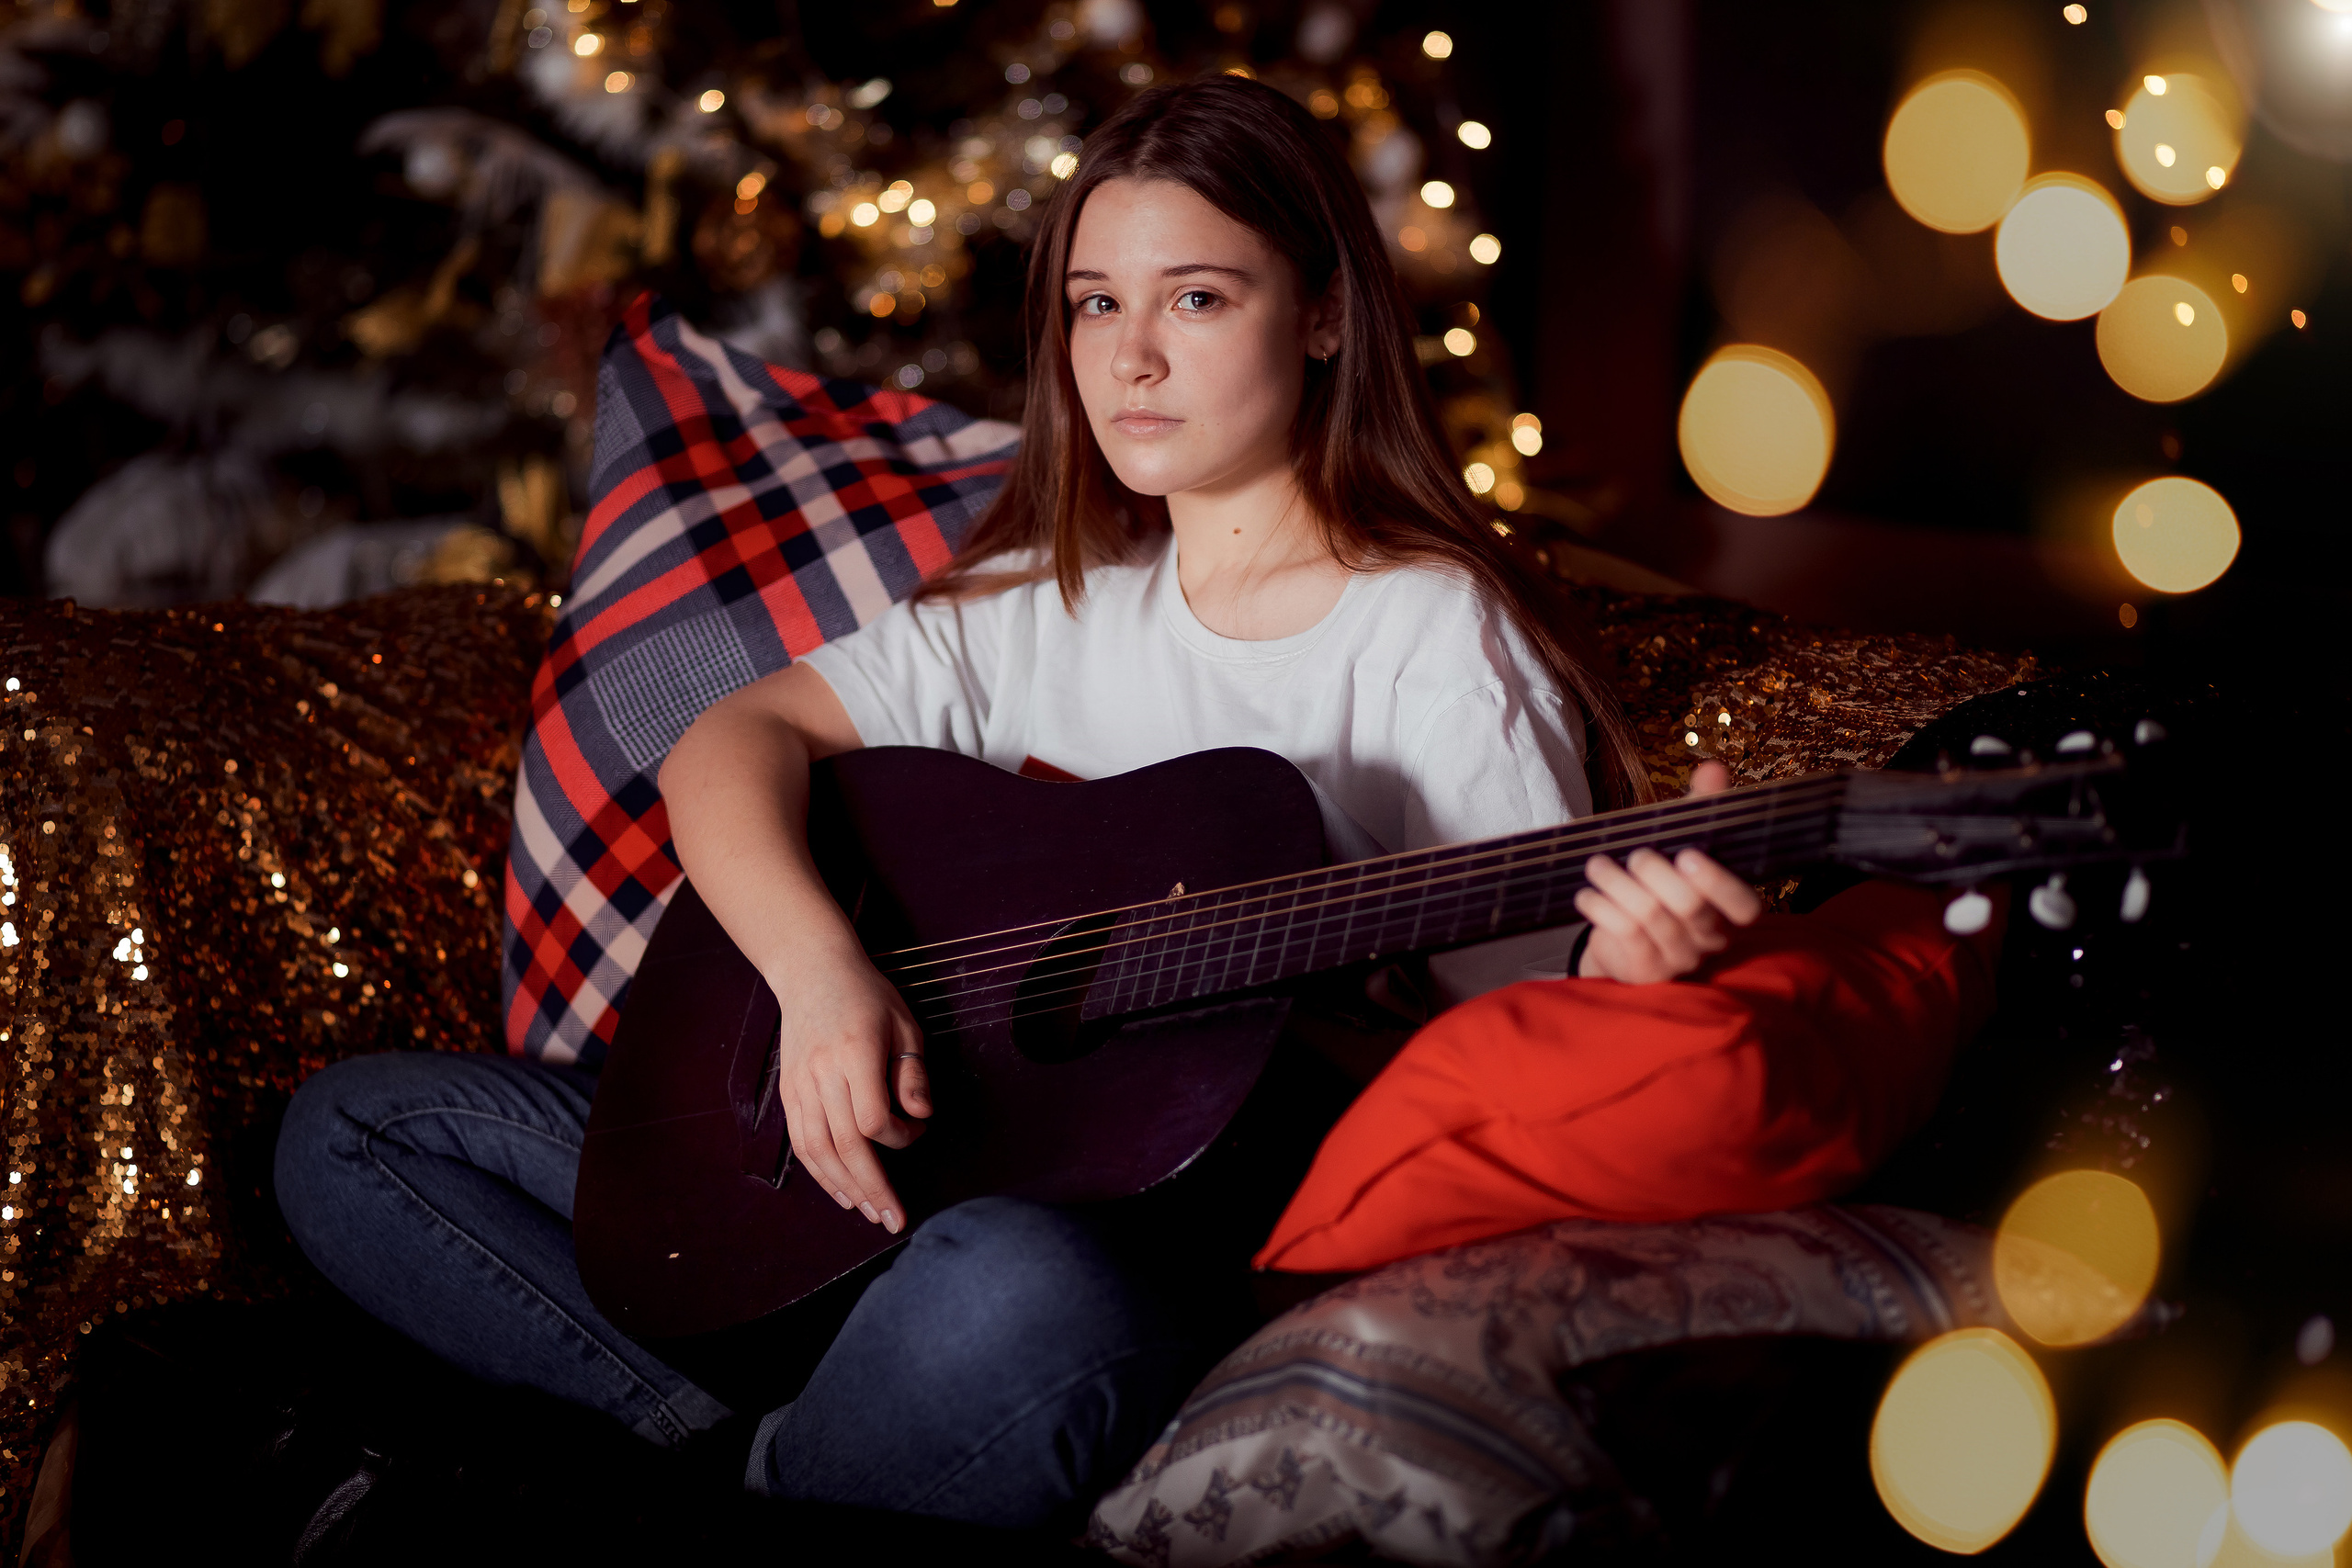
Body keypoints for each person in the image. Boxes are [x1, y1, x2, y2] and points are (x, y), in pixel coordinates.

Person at [274, 76, 1762, 1531]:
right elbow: (727, 740)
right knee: (352, 1134)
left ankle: (727, 1477)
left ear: (1321, 316)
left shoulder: (1426, 629)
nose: (1130, 360)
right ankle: (711, 1449)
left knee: (1014, 1286)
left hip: (1111, 1230)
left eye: (1195, 299)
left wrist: (1633, 977)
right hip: (883, 1166)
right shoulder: (1047, 599)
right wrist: (821, 977)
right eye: (1094, 304)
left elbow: (1506, 1025)